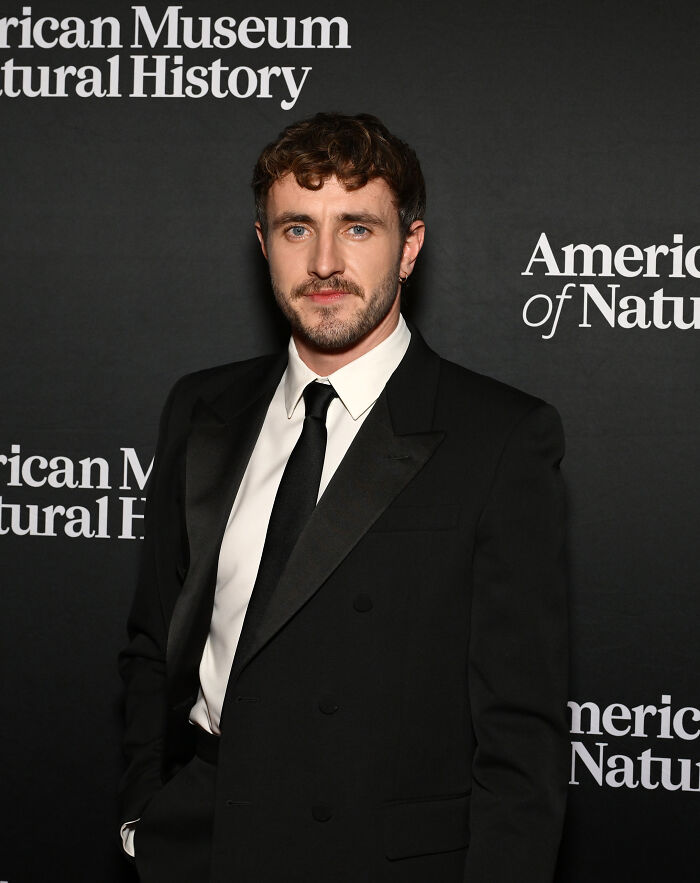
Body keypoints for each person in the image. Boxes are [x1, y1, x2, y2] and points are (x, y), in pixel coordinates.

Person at [119, 111, 568, 883]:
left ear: (411, 245)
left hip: (375, 858)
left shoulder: (499, 437)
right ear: (263, 245)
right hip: (201, 842)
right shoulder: (202, 409)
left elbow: (520, 734)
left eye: (357, 228)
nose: (324, 262)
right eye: (297, 228)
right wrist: (141, 814)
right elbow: (152, 642)